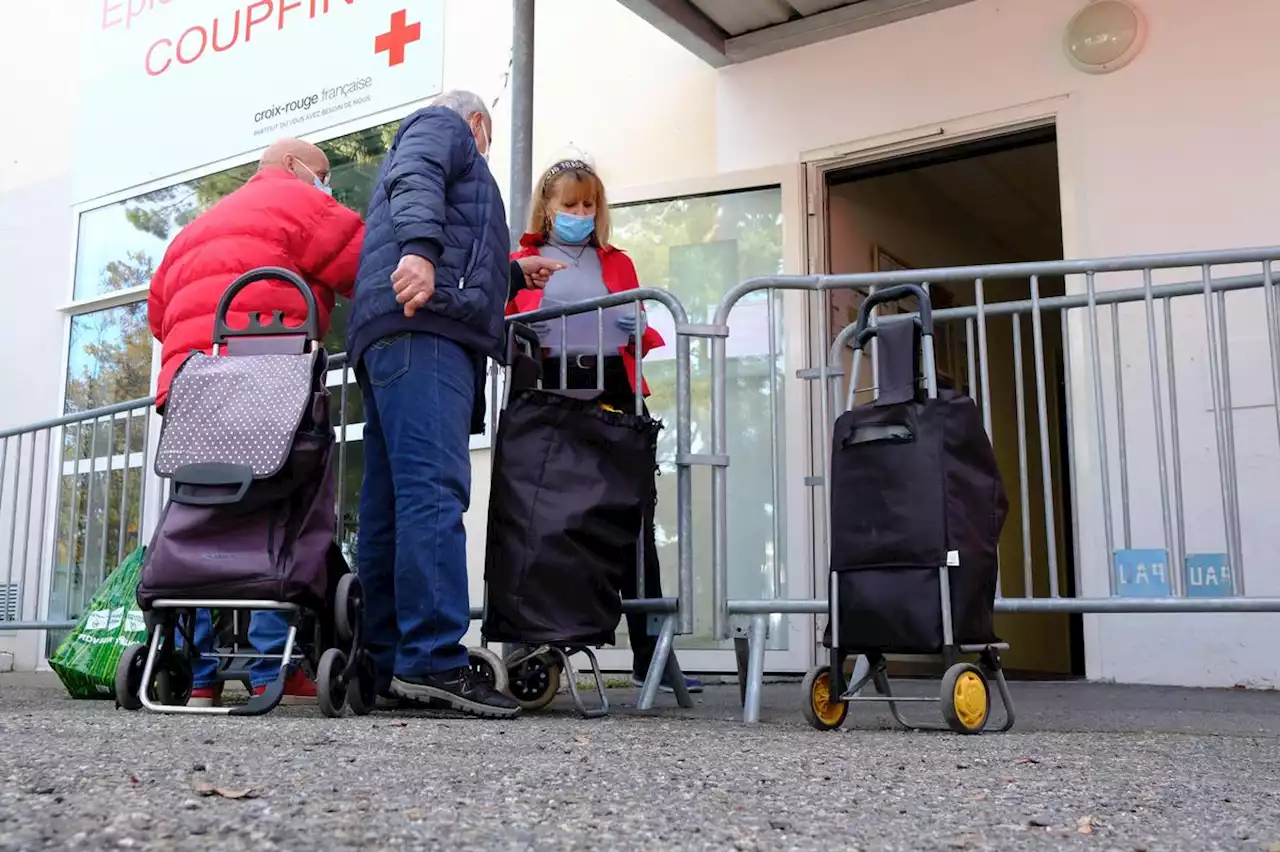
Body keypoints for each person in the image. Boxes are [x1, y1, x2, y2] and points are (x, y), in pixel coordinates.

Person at [346, 90, 563, 718]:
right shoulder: (443, 127)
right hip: (428, 329)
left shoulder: (435, 146)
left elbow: (461, 247)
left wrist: (514, 274)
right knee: (435, 491)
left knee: (391, 502)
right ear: (478, 125)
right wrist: (418, 249)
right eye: (487, 140)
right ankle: (435, 661)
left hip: (394, 333)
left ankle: (388, 661)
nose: (485, 152)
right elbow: (418, 180)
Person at [147, 137, 366, 707]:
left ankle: (197, 675)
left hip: (191, 389)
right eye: (323, 174)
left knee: (201, 519)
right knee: (280, 511)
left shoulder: (192, 231)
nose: (328, 187)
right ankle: (274, 664)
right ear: (293, 167)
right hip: (269, 388)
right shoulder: (303, 204)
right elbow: (367, 266)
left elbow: (156, 315)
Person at [508, 158, 703, 694]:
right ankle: (538, 637)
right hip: (547, 392)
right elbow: (507, 332)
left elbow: (638, 328)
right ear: (547, 208)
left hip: (613, 390)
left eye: (589, 204)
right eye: (569, 204)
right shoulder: (521, 261)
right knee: (545, 518)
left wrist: (637, 327)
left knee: (633, 522)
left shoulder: (617, 261)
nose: (580, 213)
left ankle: (652, 653)